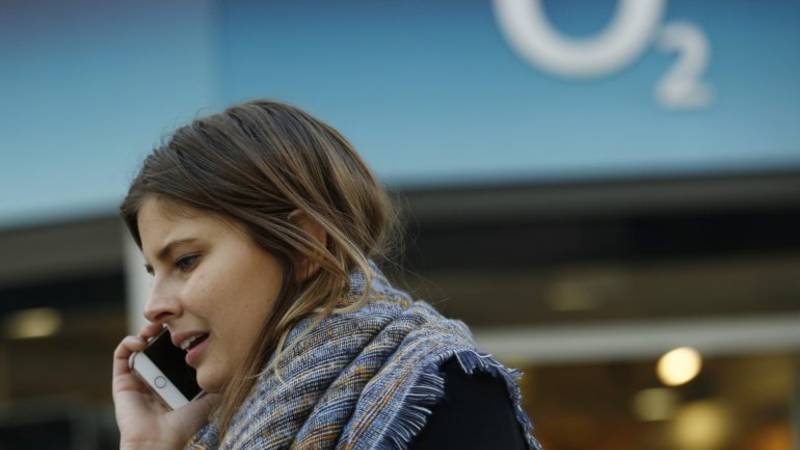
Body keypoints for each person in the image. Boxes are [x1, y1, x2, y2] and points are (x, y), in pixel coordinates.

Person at [112, 100, 542, 450]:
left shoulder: (442, 395)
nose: (154, 306)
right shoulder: (217, 436)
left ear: (304, 244)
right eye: (154, 272)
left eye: (186, 261)